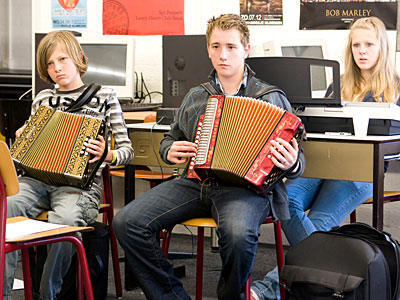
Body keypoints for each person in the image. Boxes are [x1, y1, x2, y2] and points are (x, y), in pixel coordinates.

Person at [113, 13, 305, 300]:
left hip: (246, 190)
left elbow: (298, 159)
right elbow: (171, 138)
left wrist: (292, 163)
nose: (223, 55)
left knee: (238, 236)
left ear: (246, 50)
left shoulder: (270, 97)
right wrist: (170, 150)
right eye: (216, 47)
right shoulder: (195, 96)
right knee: (126, 222)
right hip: (195, 183)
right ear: (208, 49)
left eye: (231, 47)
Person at [250, 16, 400, 300]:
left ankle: (269, 289)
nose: (362, 50)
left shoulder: (396, 89)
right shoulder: (338, 85)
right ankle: (312, 280)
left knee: (319, 220)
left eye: (369, 44)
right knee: (285, 201)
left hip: (360, 170)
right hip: (323, 164)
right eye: (356, 44)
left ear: (382, 47)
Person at [4, 30, 134, 300]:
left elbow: (127, 151)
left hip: (79, 187)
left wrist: (106, 154)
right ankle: (3, 292)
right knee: (7, 208)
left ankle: (47, 293)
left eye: (62, 59)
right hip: (37, 180)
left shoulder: (105, 97)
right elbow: (29, 150)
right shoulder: (42, 99)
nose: (57, 68)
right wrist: (23, 139)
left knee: (64, 221)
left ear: (79, 58)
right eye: (50, 64)